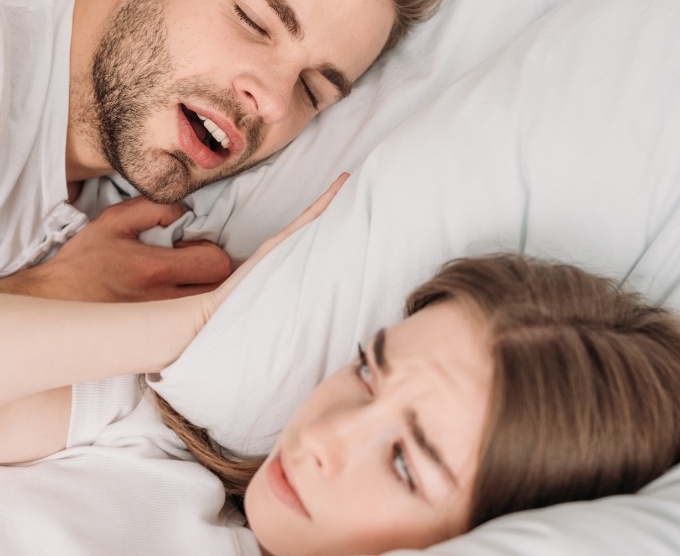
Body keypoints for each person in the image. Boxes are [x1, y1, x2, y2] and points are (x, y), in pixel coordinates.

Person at [3, 182, 680, 554]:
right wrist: (198, 323)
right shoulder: (146, 439)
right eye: (365, 373)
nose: (323, 439)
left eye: (406, 464)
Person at [0, 0, 449, 302]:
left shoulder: (128, 234)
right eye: (253, 21)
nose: (273, 102)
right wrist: (49, 294)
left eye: (310, 91)